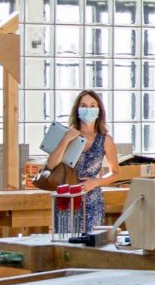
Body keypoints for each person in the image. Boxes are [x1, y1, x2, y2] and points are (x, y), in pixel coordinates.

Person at [44, 90, 117, 233]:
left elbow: (115, 172)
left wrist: (96, 182)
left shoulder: (105, 140)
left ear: (98, 110)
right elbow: (51, 165)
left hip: (92, 200)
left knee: (91, 245)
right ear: (77, 109)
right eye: (83, 105)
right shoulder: (66, 134)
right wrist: (66, 139)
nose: (88, 109)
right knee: (66, 243)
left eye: (92, 105)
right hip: (67, 197)